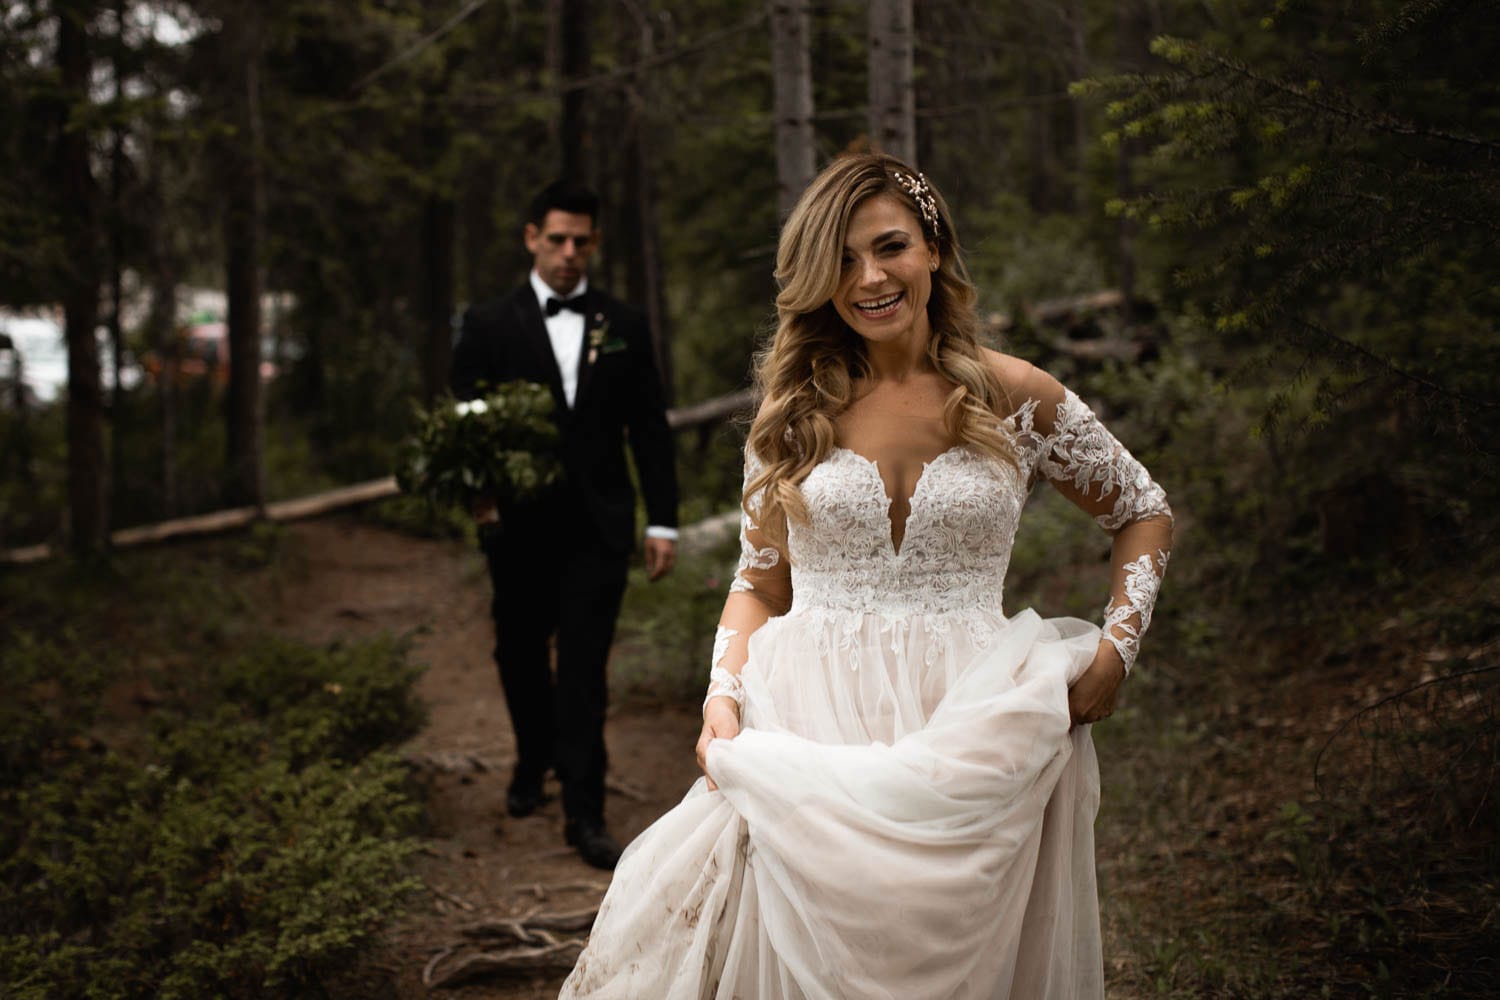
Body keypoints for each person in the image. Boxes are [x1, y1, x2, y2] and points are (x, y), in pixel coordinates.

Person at [558, 152, 1174, 997]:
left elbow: (1142, 508)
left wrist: (1115, 653)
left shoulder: (1015, 395)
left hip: (973, 722)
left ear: (934, 250)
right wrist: (720, 698)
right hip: (809, 719)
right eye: (841, 260)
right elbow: (759, 584)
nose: (869, 277)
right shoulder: (792, 413)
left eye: (890, 247)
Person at [450, 181, 679, 871]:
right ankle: (531, 758)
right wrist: (478, 495)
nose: (569, 253)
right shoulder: (487, 325)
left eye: (582, 241)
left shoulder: (625, 325)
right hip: (517, 529)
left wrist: (662, 519)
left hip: (599, 530)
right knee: (518, 654)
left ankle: (586, 813)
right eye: (557, 240)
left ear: (595, 244)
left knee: (583, 672)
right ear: (531, 239)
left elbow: (650, 429)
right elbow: (465, 421)